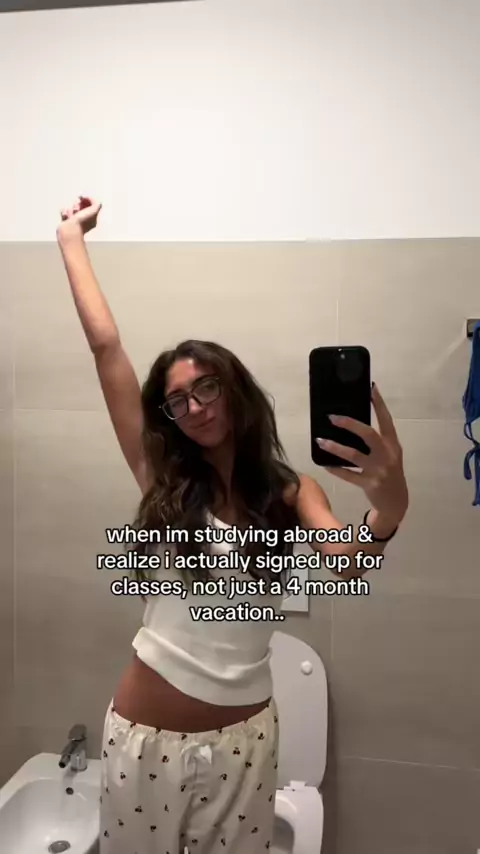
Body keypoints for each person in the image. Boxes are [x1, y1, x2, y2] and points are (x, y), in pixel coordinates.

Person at [56, 196, 409, 854]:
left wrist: (388, 511)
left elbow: (346, 561)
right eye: (177, 400)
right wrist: (71, 239)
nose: (193, 406)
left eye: (206, 387)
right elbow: (107, 349)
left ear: (233, 387)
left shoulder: (291, 492)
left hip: (246, 746)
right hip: (145, 743)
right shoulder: (162, 478)